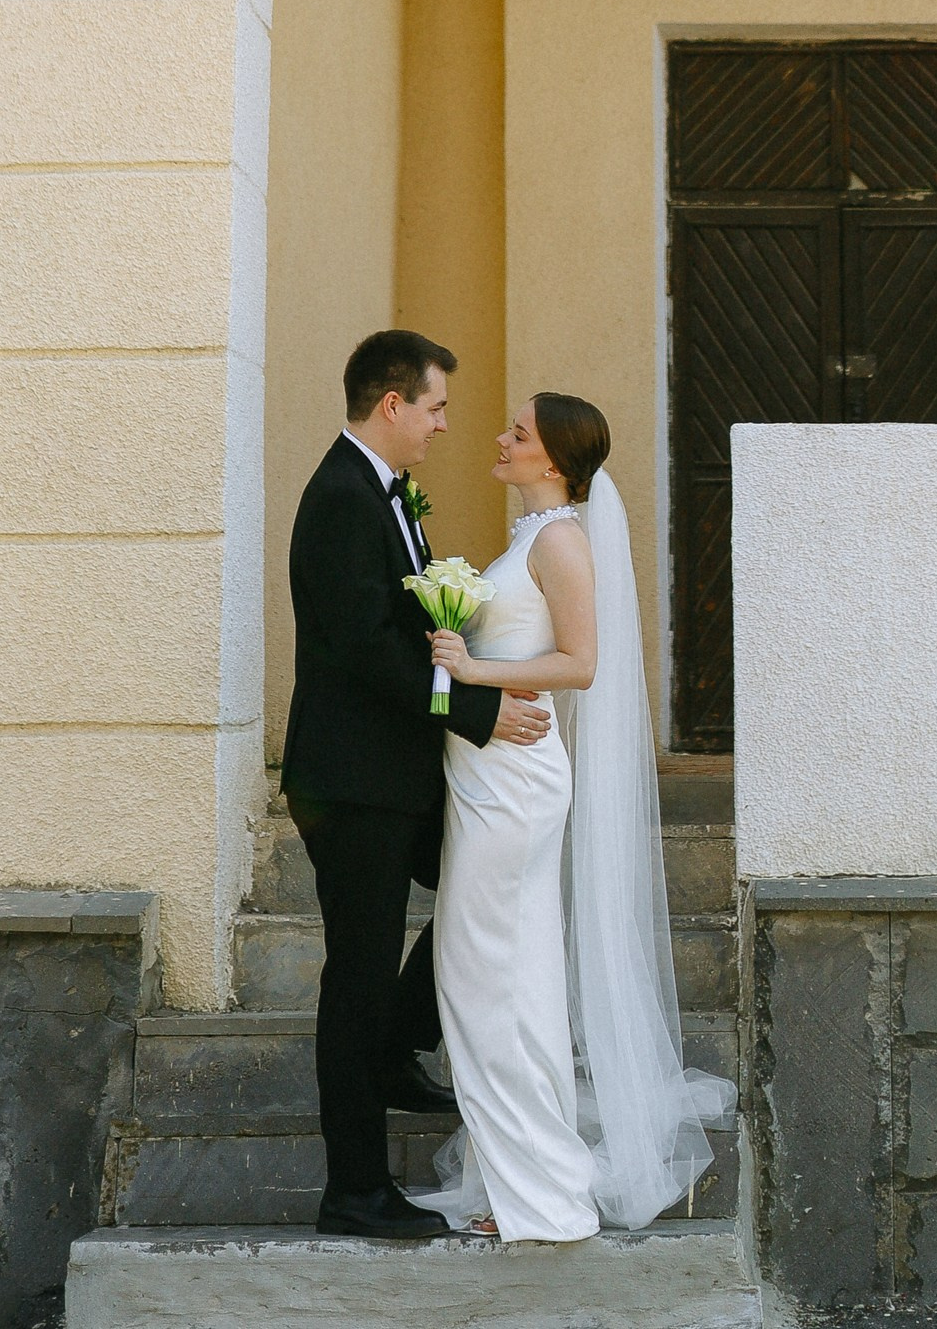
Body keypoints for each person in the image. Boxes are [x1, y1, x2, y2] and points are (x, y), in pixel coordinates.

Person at [421, 392, 733, 1242]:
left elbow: (582, 663)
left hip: (516, 780)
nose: (500, 437)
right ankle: (521, 1182)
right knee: (504, 979)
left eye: (516, 432)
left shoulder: (560, 540)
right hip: (488, 776)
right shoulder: (530, 536)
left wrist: (468, 672)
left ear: (553, 459)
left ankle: (540, 1195)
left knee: (488, 979)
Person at [281, 330, 554, 1242]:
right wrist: (477, 714)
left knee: (483, 884)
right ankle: (353, 1190)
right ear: (391, 405)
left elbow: (408, 627)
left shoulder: (382, 492)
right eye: (435, 407)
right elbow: (366, 650)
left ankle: (401, 1040)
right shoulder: (338, 500)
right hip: (353, 785)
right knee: (354, 978)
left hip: (397, 776)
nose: (443, 425)